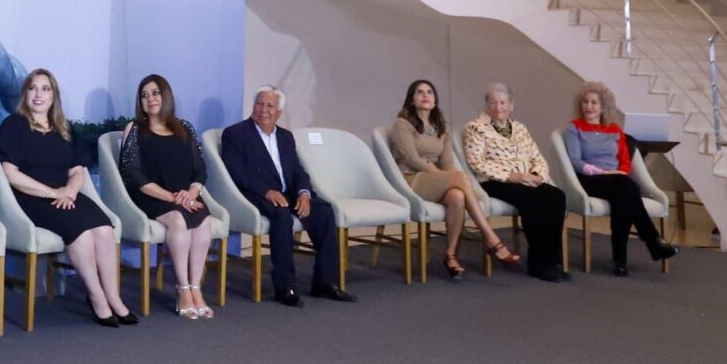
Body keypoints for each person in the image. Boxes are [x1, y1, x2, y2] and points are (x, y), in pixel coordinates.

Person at [0, 68, 137, 326]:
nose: (38, 94)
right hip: (32, 198)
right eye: (33, 88)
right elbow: (11, 174)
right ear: (25, 94)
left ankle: (113, 297)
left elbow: (77, 170)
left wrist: (70, 191)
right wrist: (53, 193)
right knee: (81, 233)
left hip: (66, 194)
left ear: (54, 96)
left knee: (105, 229)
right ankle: (97, 297)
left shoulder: (64, 128)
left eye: (45, 89)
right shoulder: (13, 125)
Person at [217, 87, 354, 305]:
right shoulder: (235, 134)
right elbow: (236, 172)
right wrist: (267, 191)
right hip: (256, 193)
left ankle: (325, 283)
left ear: (279, 112)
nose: (263, 109)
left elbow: (297, 170)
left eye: (270, 105)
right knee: (281, 216)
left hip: (288, 193)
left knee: (325, 212)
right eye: (259, 104)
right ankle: (285, 287)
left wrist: (304, 193)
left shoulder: (285, 136)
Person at [382, 78, 520, 277]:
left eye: (429, 92)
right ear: (412, 100)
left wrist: (447, 176)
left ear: (435, 100)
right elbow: (412, 159)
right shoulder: (402, 124)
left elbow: (447, 163)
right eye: (419, 92)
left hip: (434, 179)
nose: (425, 95)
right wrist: (445, 176)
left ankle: (450, 255)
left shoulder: (442, 127)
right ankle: (491, 238)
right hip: (410, 179)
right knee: (459, 178)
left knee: (457, 195)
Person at [119, 74, 216, 320]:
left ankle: (196, 288)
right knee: (179, 221)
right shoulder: (135, 129)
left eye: (155, 93)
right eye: (144, 95)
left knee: (205, 221)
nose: (150, 99)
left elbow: (200, 168)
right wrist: (172, 198)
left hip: (184, 196)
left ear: (166, 96)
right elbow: (132, 174)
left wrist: (191, 193)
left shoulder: (185, 128)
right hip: (151, 196)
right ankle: (182, 289)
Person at [560, 81, 677, 276]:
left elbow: (625, 160)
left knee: (623, 195)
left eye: (594, 103)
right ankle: (652, 241)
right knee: (628, 187)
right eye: (585, 102)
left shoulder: (615, 130)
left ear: (603, 106)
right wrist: (599, 172)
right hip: (588, 179)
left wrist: (619, 173)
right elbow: (575, 161)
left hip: (616, 181)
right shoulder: (575, 128)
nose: (589, 106)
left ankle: (620, 262)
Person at [460, 84, 569, 281]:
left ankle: (553, 260)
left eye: (502, 103)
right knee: (532, 200)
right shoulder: (475, 128)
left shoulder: (520, 128)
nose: (498, 107)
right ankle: (539, 264)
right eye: (492, 103)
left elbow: (537, 156)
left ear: (511, 105)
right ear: (486, 105)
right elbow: (477, 163)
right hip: (495, 181)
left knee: (557, 196)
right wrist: (512, 176)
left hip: (525, 180)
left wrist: (537, 175)